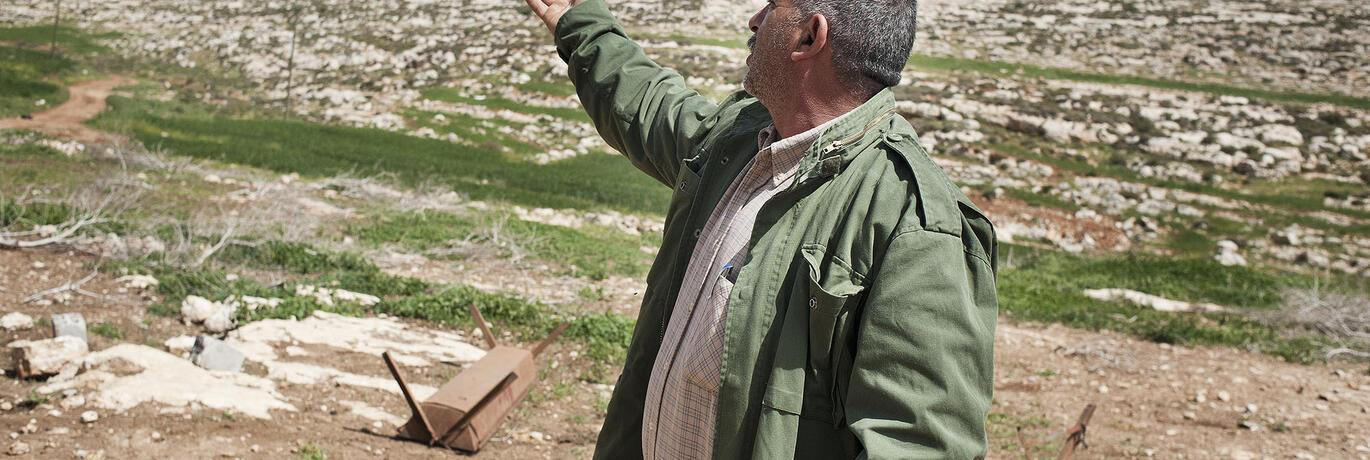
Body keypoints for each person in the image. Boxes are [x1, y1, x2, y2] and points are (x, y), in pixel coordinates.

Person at [521, 0, 998, 458]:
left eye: (772, 6)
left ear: (810, 36)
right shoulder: (741, 138)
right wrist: (579, 23)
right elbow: (649, 106)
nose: (753, 21)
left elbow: (919, 444)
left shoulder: (916, 224)